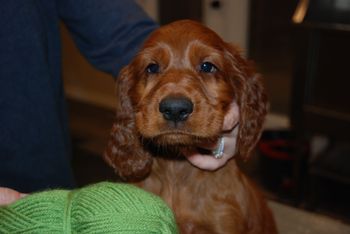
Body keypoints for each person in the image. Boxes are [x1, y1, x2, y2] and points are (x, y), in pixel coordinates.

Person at [0, 0, 238, 204]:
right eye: (153, 69)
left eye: (207, 67)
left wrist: (230, 111)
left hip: (40, 175)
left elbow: (124, 34)